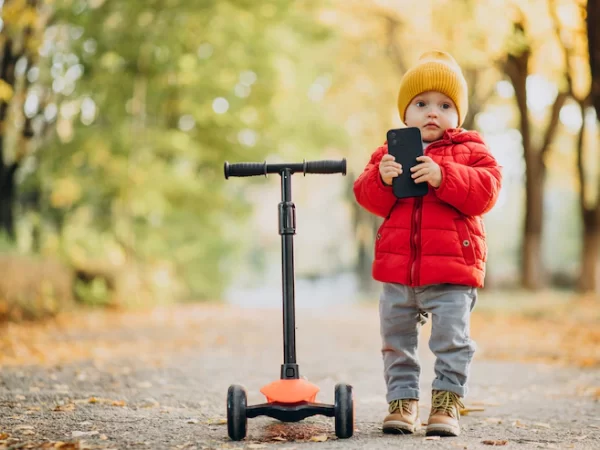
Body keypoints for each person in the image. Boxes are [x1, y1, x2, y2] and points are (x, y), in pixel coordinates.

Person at [353, 50, 502, 437]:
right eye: (421, 104)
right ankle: (402, 402)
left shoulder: (472, 151)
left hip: (452, 271)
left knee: (451, 340)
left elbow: (485, 193)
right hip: (398, 270)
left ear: (459, 114)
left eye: (445, 105)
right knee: (396, 340)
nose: (433, 112)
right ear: (405, 114)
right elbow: (366, 197)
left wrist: (444, 175)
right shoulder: (387, 154)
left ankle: (446, 401)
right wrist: (381, 180)